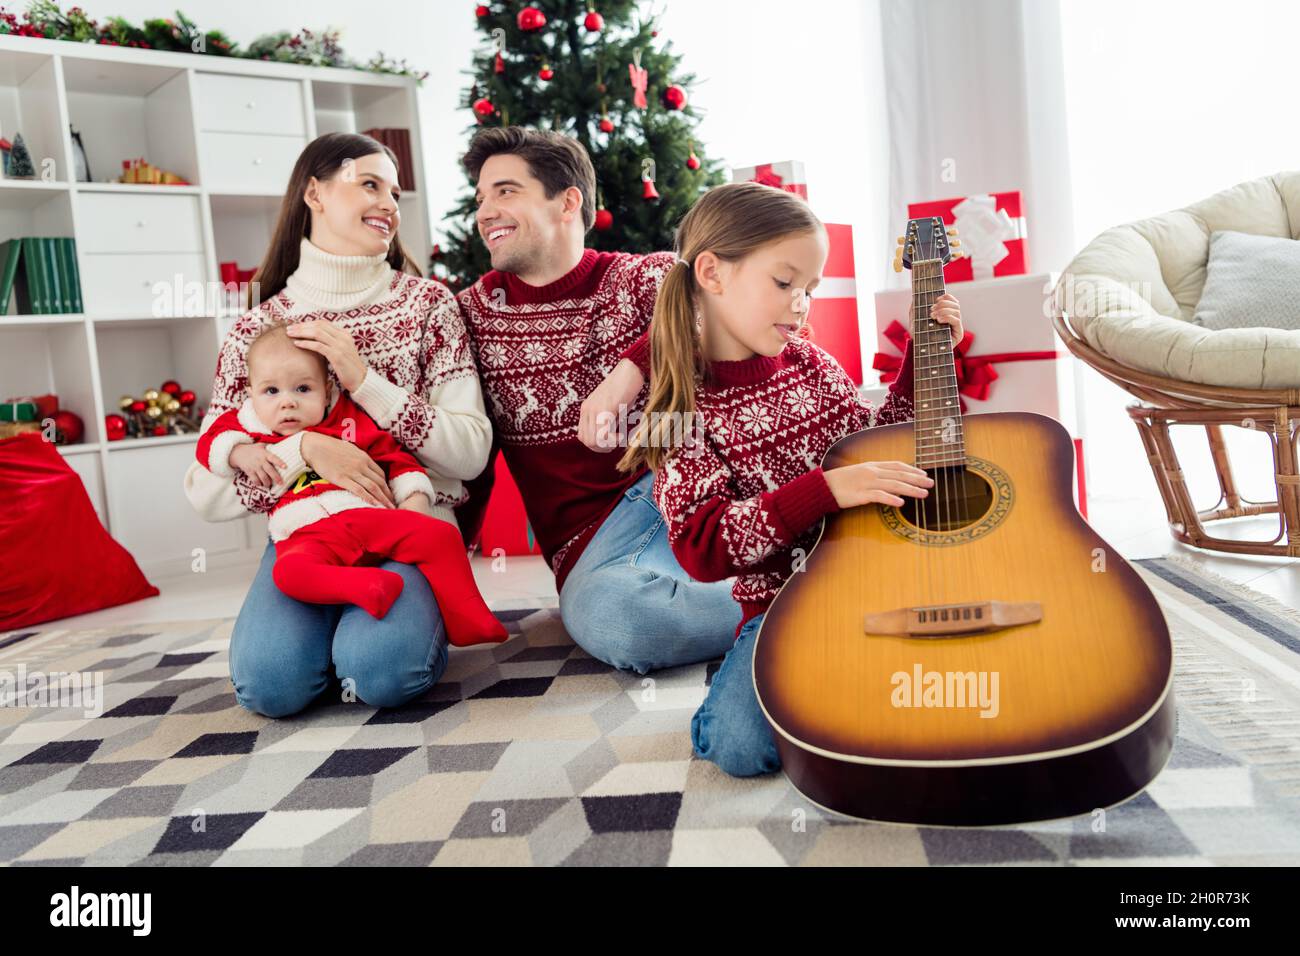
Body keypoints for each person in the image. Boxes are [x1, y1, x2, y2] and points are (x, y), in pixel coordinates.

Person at [617, 182, 963, 776]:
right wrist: (825, 491)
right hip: (783, 608)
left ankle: (858, 686)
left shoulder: (813, 363)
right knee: (738, 746)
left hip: (877, 585)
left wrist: (926, 357)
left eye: (810, 289)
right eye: (785, 283)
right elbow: (703, 549)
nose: (801, 304)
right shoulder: (677, 410)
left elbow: (880, 444)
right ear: (712, 272)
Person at [183, 132, 493, 716]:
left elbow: (470, 453)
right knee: (269, 687)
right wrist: (306, 448)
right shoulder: (258, 330)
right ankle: (327, 638)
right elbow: (206, 490)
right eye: (369, 185)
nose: (388, 205)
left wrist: (362, 380)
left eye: (395, 193)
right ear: (315, 193)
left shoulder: (429, 306)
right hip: (305, 532)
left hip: (405, 521)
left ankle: (366, 640)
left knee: (383, 675)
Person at [454, 126, 742, 674]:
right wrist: (445, 566)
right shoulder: (473, 313)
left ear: (567, 202)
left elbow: (722, 310)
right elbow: (471, 454)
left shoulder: (643, 277)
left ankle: (781, 582)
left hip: (682, 489)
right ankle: (789, 596)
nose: (486, 211)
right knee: (624, 625)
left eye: (506, 191)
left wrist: (628, 371)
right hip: (593, 543)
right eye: (481, 198)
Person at [190, 321, 505, 646]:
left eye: (302, 389)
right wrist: (239, 453)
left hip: (366, 517)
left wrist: (413, 501)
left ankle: (468, 617)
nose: (287, 402)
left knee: (440, 535)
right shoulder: (245, 425)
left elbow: (394, 457)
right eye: (271, 391)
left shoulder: (348, 420)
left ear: (326, 390)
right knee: (288, 574)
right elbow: (208, 445)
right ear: (251, 394)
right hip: (306, 534)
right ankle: (366, 585)